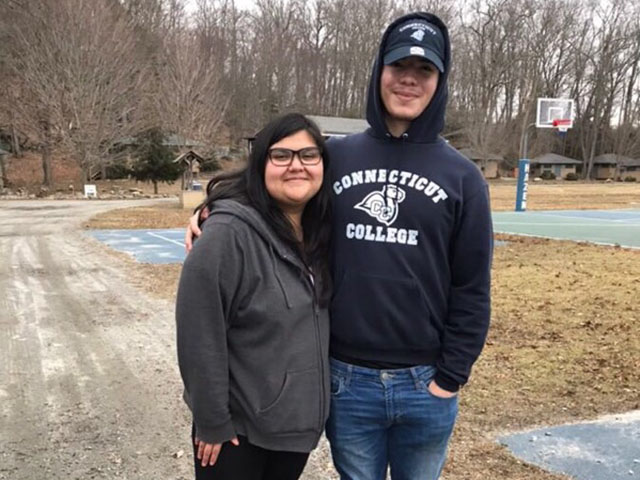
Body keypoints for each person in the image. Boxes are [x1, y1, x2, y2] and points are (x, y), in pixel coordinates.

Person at [185, 11, 492, 480]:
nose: (409, 80)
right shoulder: (340, 156)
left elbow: (472, 285)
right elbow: (281, 179)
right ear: (379, 72)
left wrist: (450, 378)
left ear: (440, 81)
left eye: (424, 70)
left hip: (423, 383)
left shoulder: (464, 178)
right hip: (347, 380)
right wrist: (210, 208)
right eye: (398, 68)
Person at [176, 113, 332, 480]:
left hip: (291, 431)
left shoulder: (319, 230)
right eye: (281, 156)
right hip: (238, 436)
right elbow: (199, 330)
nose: (296, 166)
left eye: (309, 155)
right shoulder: (227, 233)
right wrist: (212, 421)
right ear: (260, 164)